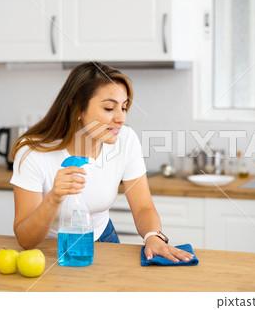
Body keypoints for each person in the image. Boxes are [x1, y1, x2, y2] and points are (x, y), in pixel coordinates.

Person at [10, 61, 193, 263]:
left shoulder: (126, 140)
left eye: (124, 108)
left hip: (103, 239)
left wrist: (153, 236)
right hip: (48, 250)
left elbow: (143, 207)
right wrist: (53, 198)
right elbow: (25, 240)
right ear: (77, 107)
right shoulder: (33, 152)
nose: (121, 118)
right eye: (109, 108)